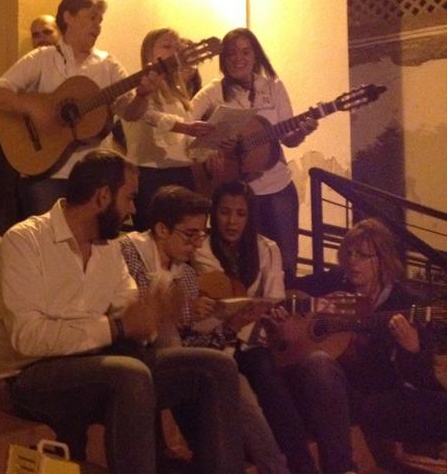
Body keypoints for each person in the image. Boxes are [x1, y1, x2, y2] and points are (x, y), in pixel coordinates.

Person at [0, 149, 244, 474]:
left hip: (101, 362)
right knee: (131, 374)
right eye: (129, 199)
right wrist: (116, 328)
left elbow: (133, 315)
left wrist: (155, 311)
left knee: (216, 367)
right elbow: (26, 339)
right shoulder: (24, 242)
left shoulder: (108, 249)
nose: (133, 209)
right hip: (33, 376)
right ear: (102, 197)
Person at [120, 184, 289, 474]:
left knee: (233, 379)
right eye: (191, 234)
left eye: (201, 233)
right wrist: (183, 309)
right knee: (210, 369)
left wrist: (232, 325)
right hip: (133, 353)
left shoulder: (186, 272)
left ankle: (274, 468)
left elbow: (194, 339)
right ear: (162, 229)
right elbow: (141, 310)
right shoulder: (130, 250)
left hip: (177, 359)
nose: (199, 243)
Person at [268, 218, 447, 473]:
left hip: (380, 396)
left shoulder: (407, 303)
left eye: (362, 255)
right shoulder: (334, 283)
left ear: (382, 260)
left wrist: (412, 349)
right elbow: (289, 293)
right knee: (319, 362)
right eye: (349, 253)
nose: (352, 261)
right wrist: (289, 318)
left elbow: (423, 379)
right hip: (335, 390)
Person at [0, 0, 153, 217]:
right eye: (92, 17)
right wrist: (32, 107)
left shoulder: (108, 65)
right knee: (48, 245)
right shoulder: (43, 58)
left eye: (100, 20)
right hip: (45, 173)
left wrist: (143, 96)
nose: (98, 26)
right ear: (68, 17)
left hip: (94, 178)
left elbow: (130, 112)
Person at [188, 181, 315, 473]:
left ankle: (303, 466)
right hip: (214, 342)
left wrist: (274, 316)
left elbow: (275, 298)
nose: (232, 221)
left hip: (252, 342)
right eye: (225, 212)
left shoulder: (267, 249)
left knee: (268, 378)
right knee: (246, 394)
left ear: (250, 216)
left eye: (240, 214)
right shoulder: (200, 249)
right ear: (213, 213)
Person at [190, 28, 317, 289]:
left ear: (256, 54)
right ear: (223, 58)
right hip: (235, 193)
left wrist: (302, 133)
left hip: (278, 188)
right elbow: (184, 132)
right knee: (241, 264)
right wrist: (209, 152)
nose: (239, 58)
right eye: (232, 53)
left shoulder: (273, 86)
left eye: (246, 52)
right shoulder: (212, 93)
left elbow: (288, 137)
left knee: (285, 262)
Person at [120, 28, 213, 229]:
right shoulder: (137, 85)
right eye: (167, 46)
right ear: (149, 52)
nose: (174, 52)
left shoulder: (179, 91)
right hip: (151, 175)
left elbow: (186, 142)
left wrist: (210, 142)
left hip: (181, 174)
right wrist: (185, 127)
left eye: (177, 48)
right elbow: (150, 116)